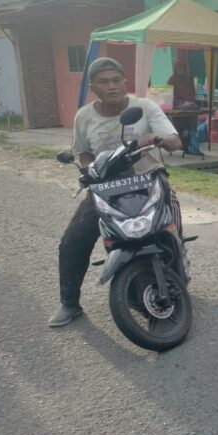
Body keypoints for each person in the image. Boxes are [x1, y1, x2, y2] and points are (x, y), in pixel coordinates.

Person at [49, 57, 183, 327]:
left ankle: (177, 282)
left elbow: (175, 142)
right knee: (72, 240)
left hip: (148, 182)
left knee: (166, 232)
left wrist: (156, 139)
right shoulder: (84, 116)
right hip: (106, 187)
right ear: (93, 88)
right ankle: (69, 303)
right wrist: (90, 170)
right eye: (103, 82)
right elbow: (84, 151)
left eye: (116, 80)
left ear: (125, 82)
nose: (111, 86)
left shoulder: (145, 107)